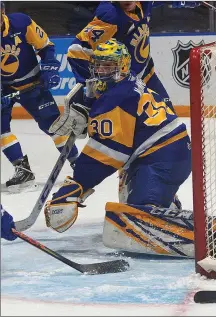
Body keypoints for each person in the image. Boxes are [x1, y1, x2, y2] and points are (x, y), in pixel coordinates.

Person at [44, 39, 193, 256]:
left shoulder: (116, 97)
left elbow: (107, 152)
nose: (102, 71)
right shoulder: (127, 83)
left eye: (109, 66)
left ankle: (179, 226)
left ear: (122, 66)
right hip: (162, 153)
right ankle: (166, 203)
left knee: (138, 216)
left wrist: (76, 187)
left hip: (162, 159)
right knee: (128, 200)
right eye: (99, 65)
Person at [1, 2, 79, 191]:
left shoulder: (21, 23)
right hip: (5, 87)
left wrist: (50, 66)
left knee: (53, 125)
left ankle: (80, 164)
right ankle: (23, 170)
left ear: (2, 11)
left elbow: (45, 46)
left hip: (33, 84)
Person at [66, 1, 199, 102]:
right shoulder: (110, 16)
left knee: (169, 118)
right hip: (123, 83)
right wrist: (88, 85)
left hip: (147, 74)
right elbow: (76, 50)